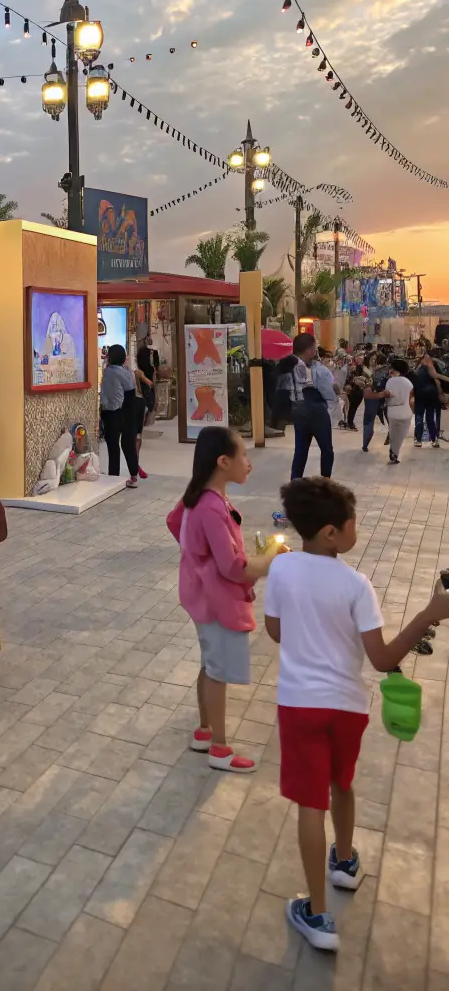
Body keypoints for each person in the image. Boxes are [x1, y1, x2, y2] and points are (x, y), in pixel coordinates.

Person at [265, 476, 449, 952]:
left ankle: (318, 913)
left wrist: (307, 638)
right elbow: (383, 660)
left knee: (311, 804)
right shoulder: (356, 585)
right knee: (340, 783)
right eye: (352, 522)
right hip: (347, 708)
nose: (356, 528)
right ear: (330, 533)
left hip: (300, 705)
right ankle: (344, 861)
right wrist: (431, 612)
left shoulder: (282, 571)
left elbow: (275, 630)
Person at [166, 426, 284, 773]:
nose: (249, 464)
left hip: (202, 598)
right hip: (216, 601)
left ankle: (205, 731)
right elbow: (233, 567)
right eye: (243, 455)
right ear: (223, 461)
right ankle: (219, 747)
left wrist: (200, 559)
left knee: (209, 663)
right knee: (218, 671)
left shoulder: (199, 497)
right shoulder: (210, 507)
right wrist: (270, 562)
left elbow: (177, 525)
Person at [276, 334, 335, 480]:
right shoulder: (311, 367)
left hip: (298, 410)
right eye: (314, 348)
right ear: (308, 350)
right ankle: (325, 482)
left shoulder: (286, 365)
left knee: (301, 450)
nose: (315, 352)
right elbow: (327, 388)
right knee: (327, 449)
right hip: (315, 410)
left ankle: (295, 482)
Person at [99, 344, 140, 489]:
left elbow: (106, 394)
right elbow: (130, 391)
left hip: (110, 413)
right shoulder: (126, 372)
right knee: (128, 444)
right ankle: (133, 475)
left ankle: (113, 477)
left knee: (113, 447)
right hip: (126, 411)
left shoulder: (108, 371)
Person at [369, 358, 413, 464]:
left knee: (393, 433)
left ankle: (393, 450)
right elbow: (410, 397)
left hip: (392, 411)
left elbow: (387, 396)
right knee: (401, 434)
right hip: (405, 411)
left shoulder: (390, 381)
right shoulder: (408, 382)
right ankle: (395, 452)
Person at [411, 352, 443, 449]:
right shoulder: (432, 369)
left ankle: (418, 439)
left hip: (420, 394)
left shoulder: (417, 370)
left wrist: (413, 396)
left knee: (419, 416)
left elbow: (413, 385)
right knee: (430, 417)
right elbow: (437, 381)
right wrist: (440, 393)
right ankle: (434, 440)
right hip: (431, 395)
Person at [136, 335, 159, 422]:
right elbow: (156, 366)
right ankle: (147, 418)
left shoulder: (147, 351)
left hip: (145, 377)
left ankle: (147, 417)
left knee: (148, 396)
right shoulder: (150, 352)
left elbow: (156, 365)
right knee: (150, 397)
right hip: (146, 378)